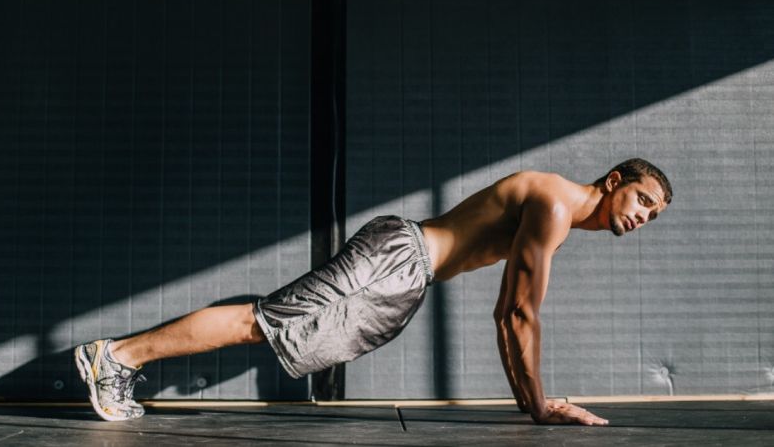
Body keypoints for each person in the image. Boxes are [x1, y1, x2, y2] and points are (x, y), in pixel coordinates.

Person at [75, 158, 672, 425]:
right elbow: (518, 314)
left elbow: (505, 315)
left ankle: (119, 359)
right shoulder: (555, 205)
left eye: (653, 215)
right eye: (642, 199)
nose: (642, 216)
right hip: (399, 258)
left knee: (267, 327)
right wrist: (541, 408)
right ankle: (117, 356)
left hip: (406, 272)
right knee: (262, 322)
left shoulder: (555, 212)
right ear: (614, 181)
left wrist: (529, 405)